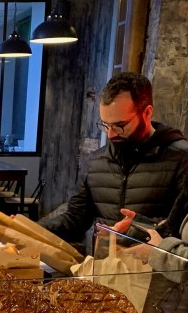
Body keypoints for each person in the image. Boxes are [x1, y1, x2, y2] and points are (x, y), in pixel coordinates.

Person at [40, 72, 188, 247]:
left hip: (152, 263)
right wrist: (29, 228)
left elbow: (179, 229)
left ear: (147, 113)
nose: (110, 135)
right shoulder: (97, 161)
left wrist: (134, 232)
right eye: (105, 125)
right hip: (102, 263)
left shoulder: (180, 158)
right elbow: (76, 218)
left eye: (120, 125)